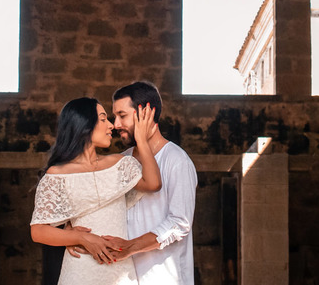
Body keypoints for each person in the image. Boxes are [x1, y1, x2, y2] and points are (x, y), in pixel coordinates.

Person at [31, 97, 162, 284]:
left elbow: (153, 183)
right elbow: (38, 231)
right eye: (103, 119)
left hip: (120, 268)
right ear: (84, 124)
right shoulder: (57, 174)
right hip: (79, 269)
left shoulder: (119, 164)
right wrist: (81, 237)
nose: (111, 126)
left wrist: (141, 140)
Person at [108, 81, 197, 285]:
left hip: (163, 277)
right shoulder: (121, 160)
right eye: (115, 116)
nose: (116, 124)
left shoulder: (177, 161)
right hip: (122, 276)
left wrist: (131, 246)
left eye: (122, 115)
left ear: (145, 113)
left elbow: (179, 223)